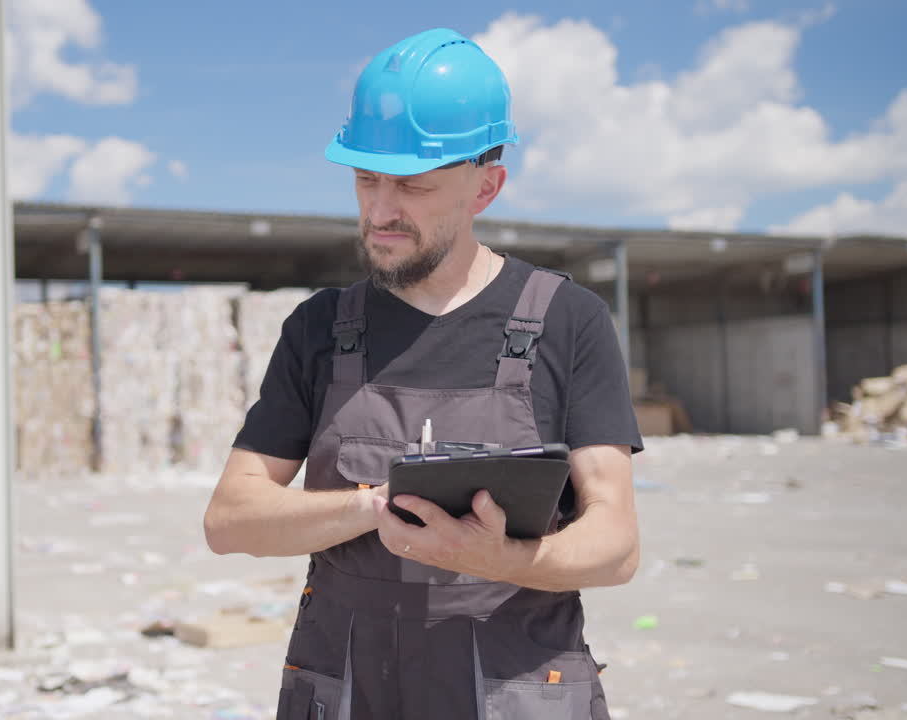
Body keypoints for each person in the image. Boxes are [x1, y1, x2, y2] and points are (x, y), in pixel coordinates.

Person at [203, 28, 641, 719]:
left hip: (512, 691)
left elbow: (615, 545)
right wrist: (372, 507)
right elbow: (230, 521)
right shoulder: (319, 330)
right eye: (366, 179)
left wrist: (498, 558)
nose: (379, 211)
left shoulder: (567, 320)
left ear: (485, 188)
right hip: (348, 688)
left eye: (412, 185)